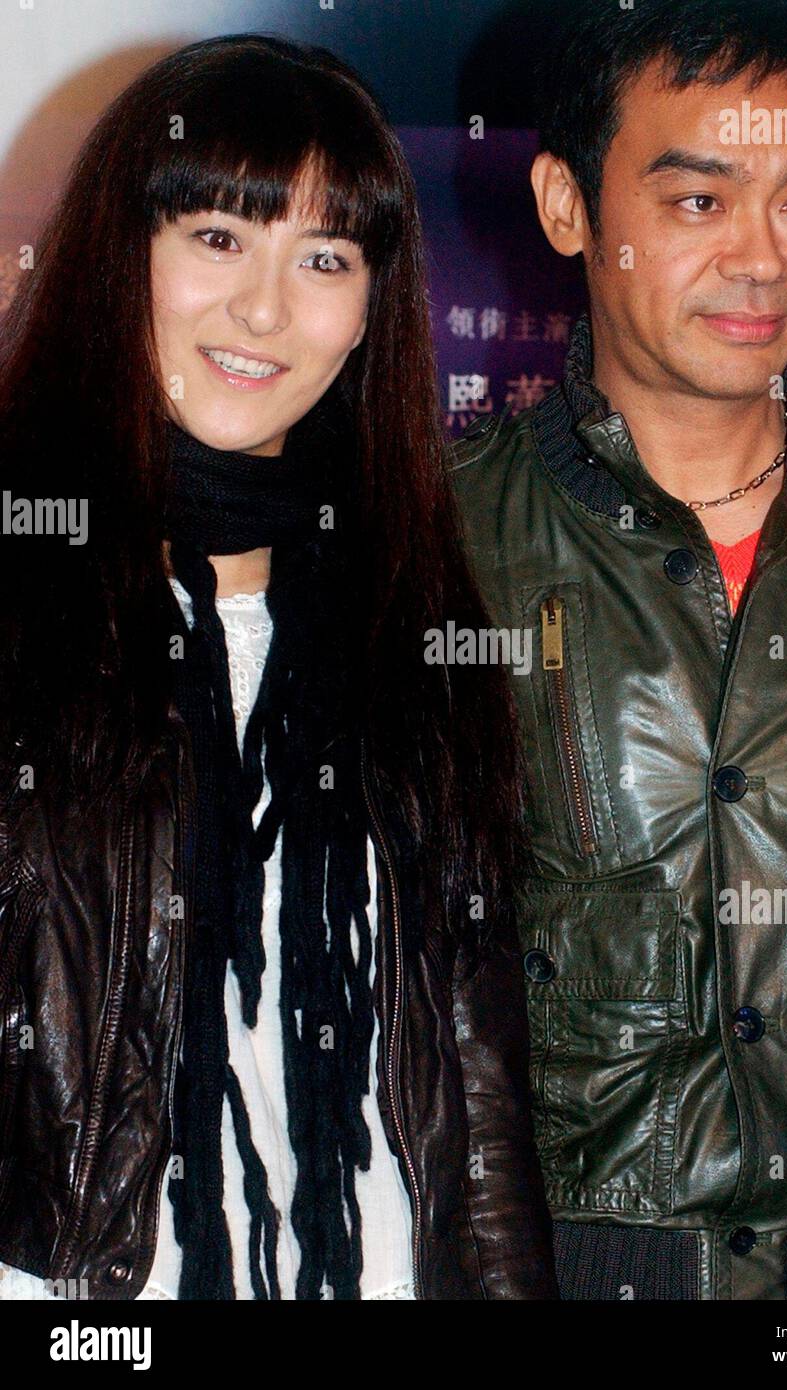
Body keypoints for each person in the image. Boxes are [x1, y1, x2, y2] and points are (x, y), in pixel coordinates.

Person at [0, 34, 557, 1301]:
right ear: (117, 251)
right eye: (216, 239)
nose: (264, 309)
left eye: (324, 258)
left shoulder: (408, 616)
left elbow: (479, 1077)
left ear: (372, 304)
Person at [451, 0, 787, 1301]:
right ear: (568, 205)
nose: (761, 261)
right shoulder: (436, 537)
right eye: (696, 203)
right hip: (556, 1261)